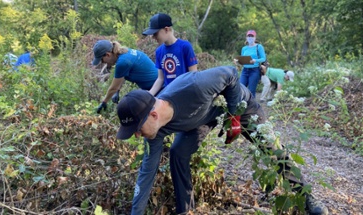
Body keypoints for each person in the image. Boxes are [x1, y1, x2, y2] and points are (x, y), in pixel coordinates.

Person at [115, 66, 328, 215]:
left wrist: (234, 116)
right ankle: (185, 210)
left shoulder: (194, 87)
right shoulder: (155, 132)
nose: (137, 135)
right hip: (204, 118)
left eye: (137, 129)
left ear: (152, 115)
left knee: (272, 150)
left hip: (242, 108)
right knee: (178, 152)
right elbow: (146, 175)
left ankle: (307, 197)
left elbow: (231, 74)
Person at [92, 40, 158, 113]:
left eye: (102, 60)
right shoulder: (125, 53)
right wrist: (118, 90)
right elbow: (122, 76)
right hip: (153, 86)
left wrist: (104, 102)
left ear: (108, 55)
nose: (103, 63)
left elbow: (113, 88)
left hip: (157, 88)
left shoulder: (122, 62)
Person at [142, 13, 198, 96]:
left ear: (166, 29)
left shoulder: (185, 46)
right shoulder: (159, 51)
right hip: (168, 94)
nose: (153, 37)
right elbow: (161, 78)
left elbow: (193, 75)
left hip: (184, 93)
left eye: (155, 33)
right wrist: (150, 94)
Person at [236, 30, 266, 98]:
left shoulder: (259, 47)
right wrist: (238, 62)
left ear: (255, 37)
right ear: (246, 37)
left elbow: (263, 58)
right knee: (241, 88)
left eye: (252, 36)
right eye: (249, 36)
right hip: (245, 70)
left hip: (254, 70)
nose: (250, 38)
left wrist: (255, 60)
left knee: (251, 90)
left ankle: (251, 107)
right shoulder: (244, 48)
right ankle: (242, 106)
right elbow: (243, 60)